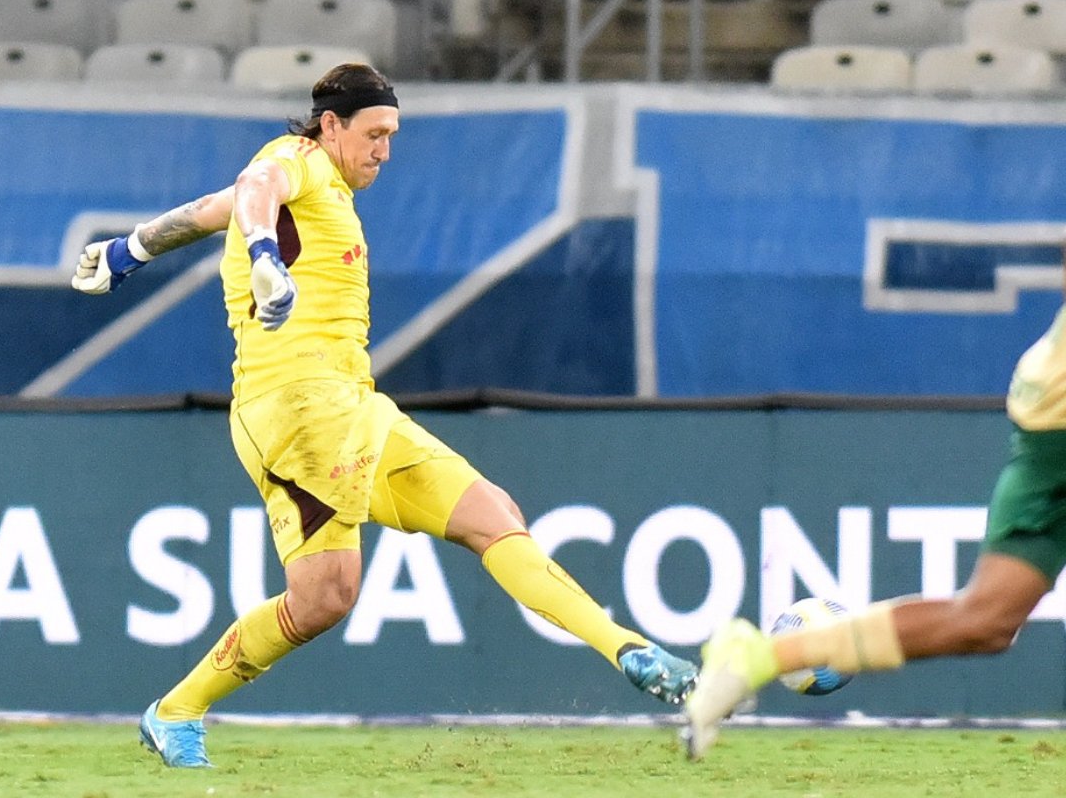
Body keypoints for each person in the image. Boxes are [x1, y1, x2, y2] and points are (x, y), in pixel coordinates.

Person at [71, 63, 697, 769]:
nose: (385, 150)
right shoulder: (297, 160)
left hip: (350, 406)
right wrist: (265, 257)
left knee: (371, 576)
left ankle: (628, 650)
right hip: (296, 413)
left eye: (393, 134)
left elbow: (219, 205)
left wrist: (132, 249)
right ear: (330, 125)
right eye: (374, 132)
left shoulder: (319, 185)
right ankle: (177, 710)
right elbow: (253, 191)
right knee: (356, 582)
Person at [682, 265, 1066, 761]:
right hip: (1057, 416)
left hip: (1045, 401)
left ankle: (759, 658)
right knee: (983, 618)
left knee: (985, 622)